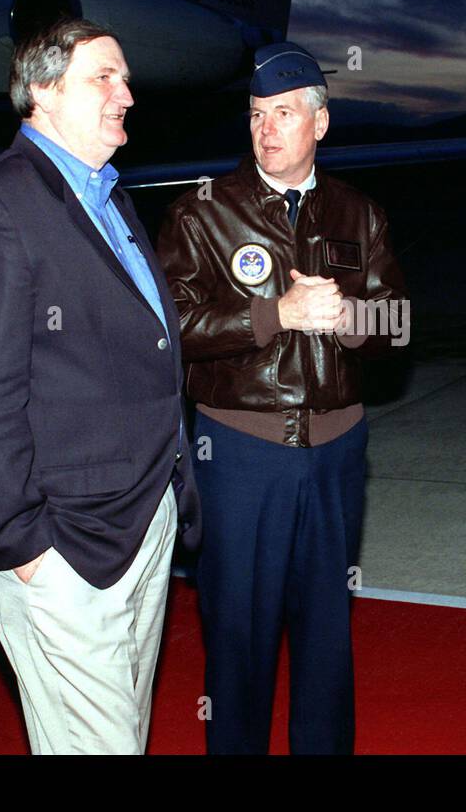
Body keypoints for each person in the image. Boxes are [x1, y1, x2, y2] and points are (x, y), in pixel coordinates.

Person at [0, 18, 200, 754]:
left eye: (127, 78)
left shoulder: (104, 195)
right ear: (43, 91)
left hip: (141, 516)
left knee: (116, 735)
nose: (128, 95)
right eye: (104, 77)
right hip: (64, 544)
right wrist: (24, 547)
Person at [157, 41, 407, 754]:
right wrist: (275, 315)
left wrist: (356, 321)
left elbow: (401, 322)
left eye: (285, 114)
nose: (268, 129)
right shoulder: (203, 213)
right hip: (241, 454)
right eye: (257, 115)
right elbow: (170, 328)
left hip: (336, 450)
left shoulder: (360, 214)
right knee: (238, 634)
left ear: (320, 124)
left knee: (327, 636)